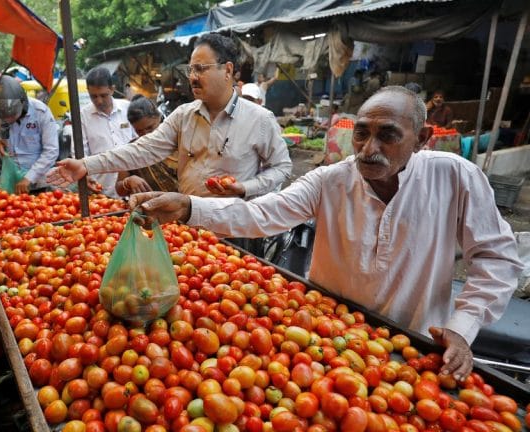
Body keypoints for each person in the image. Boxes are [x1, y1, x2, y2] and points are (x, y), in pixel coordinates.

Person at [129, 85, 522, 381]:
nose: (369, 148)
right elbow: (263, 213)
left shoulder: (455, 176)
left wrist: (464, 326)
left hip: (414, 345)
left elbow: (496, 257)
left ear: (421, 139)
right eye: (362, 133)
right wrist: (189, 206)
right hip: (325, 335)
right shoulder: (330, 179)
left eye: (387, 135)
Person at [48, 32, 292, 201]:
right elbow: (141, 150)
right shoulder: (184, 116)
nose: (193, 77)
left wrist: (245, 188)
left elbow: (281, 168)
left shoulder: (260, 119)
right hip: (190, 228)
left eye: (201, 69)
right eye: (191, 69)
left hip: (237, 228)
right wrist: (85, 165)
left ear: (227, 70)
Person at [0, 75, 59, 194]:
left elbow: (51, 151)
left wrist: (29, 178)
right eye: (3, 117)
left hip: (40, 182)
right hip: (9, 180)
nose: (7, 120)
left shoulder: (40, 112)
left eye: (11, 115)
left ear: (22, 103)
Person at [73, 66, 136, 197]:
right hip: (101, 190)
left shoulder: (128, 108)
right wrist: (84, 175)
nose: (99, 101)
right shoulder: (82, 116)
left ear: (112, 89)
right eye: (93, 96)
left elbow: (139, 142)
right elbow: (79, 153)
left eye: (103, 95)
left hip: (132, 185)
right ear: (88, 92)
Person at [115, 95, 178, 196]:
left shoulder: (178, 142)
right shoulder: (132, 151)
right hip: (151, 208)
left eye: (150, 128)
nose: (146, 134)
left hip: (186, 206)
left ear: (158, 118)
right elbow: (119, 189)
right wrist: (128, 181)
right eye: (139, 131)